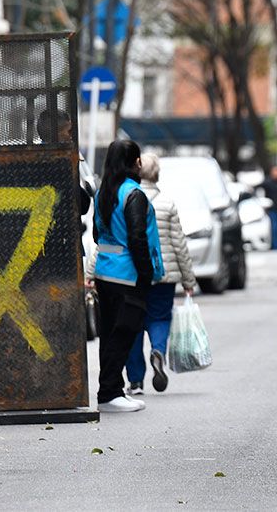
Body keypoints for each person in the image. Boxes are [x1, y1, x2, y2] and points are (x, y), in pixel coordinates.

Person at [91, 140, 165, 413]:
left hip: (105, 272)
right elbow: (137, 238)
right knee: (124, 334)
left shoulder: (103, 194)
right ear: (133, 162)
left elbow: (98, 236)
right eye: (137, 160)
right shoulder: (134, 195)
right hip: (128, 275)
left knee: (110, 334)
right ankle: (110, 392)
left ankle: (111, 390)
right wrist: (146, 275)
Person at [124, 153, 198, 396]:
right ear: (156, 175)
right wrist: (188, 279)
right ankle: (157, 351)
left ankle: (135, 381)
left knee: (132, 326)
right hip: (164, 275)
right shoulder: (167, 203)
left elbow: (113, 237)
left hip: (133, 273)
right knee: (159, 317)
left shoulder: (127, 198)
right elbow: (179, 243)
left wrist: (92, 270)